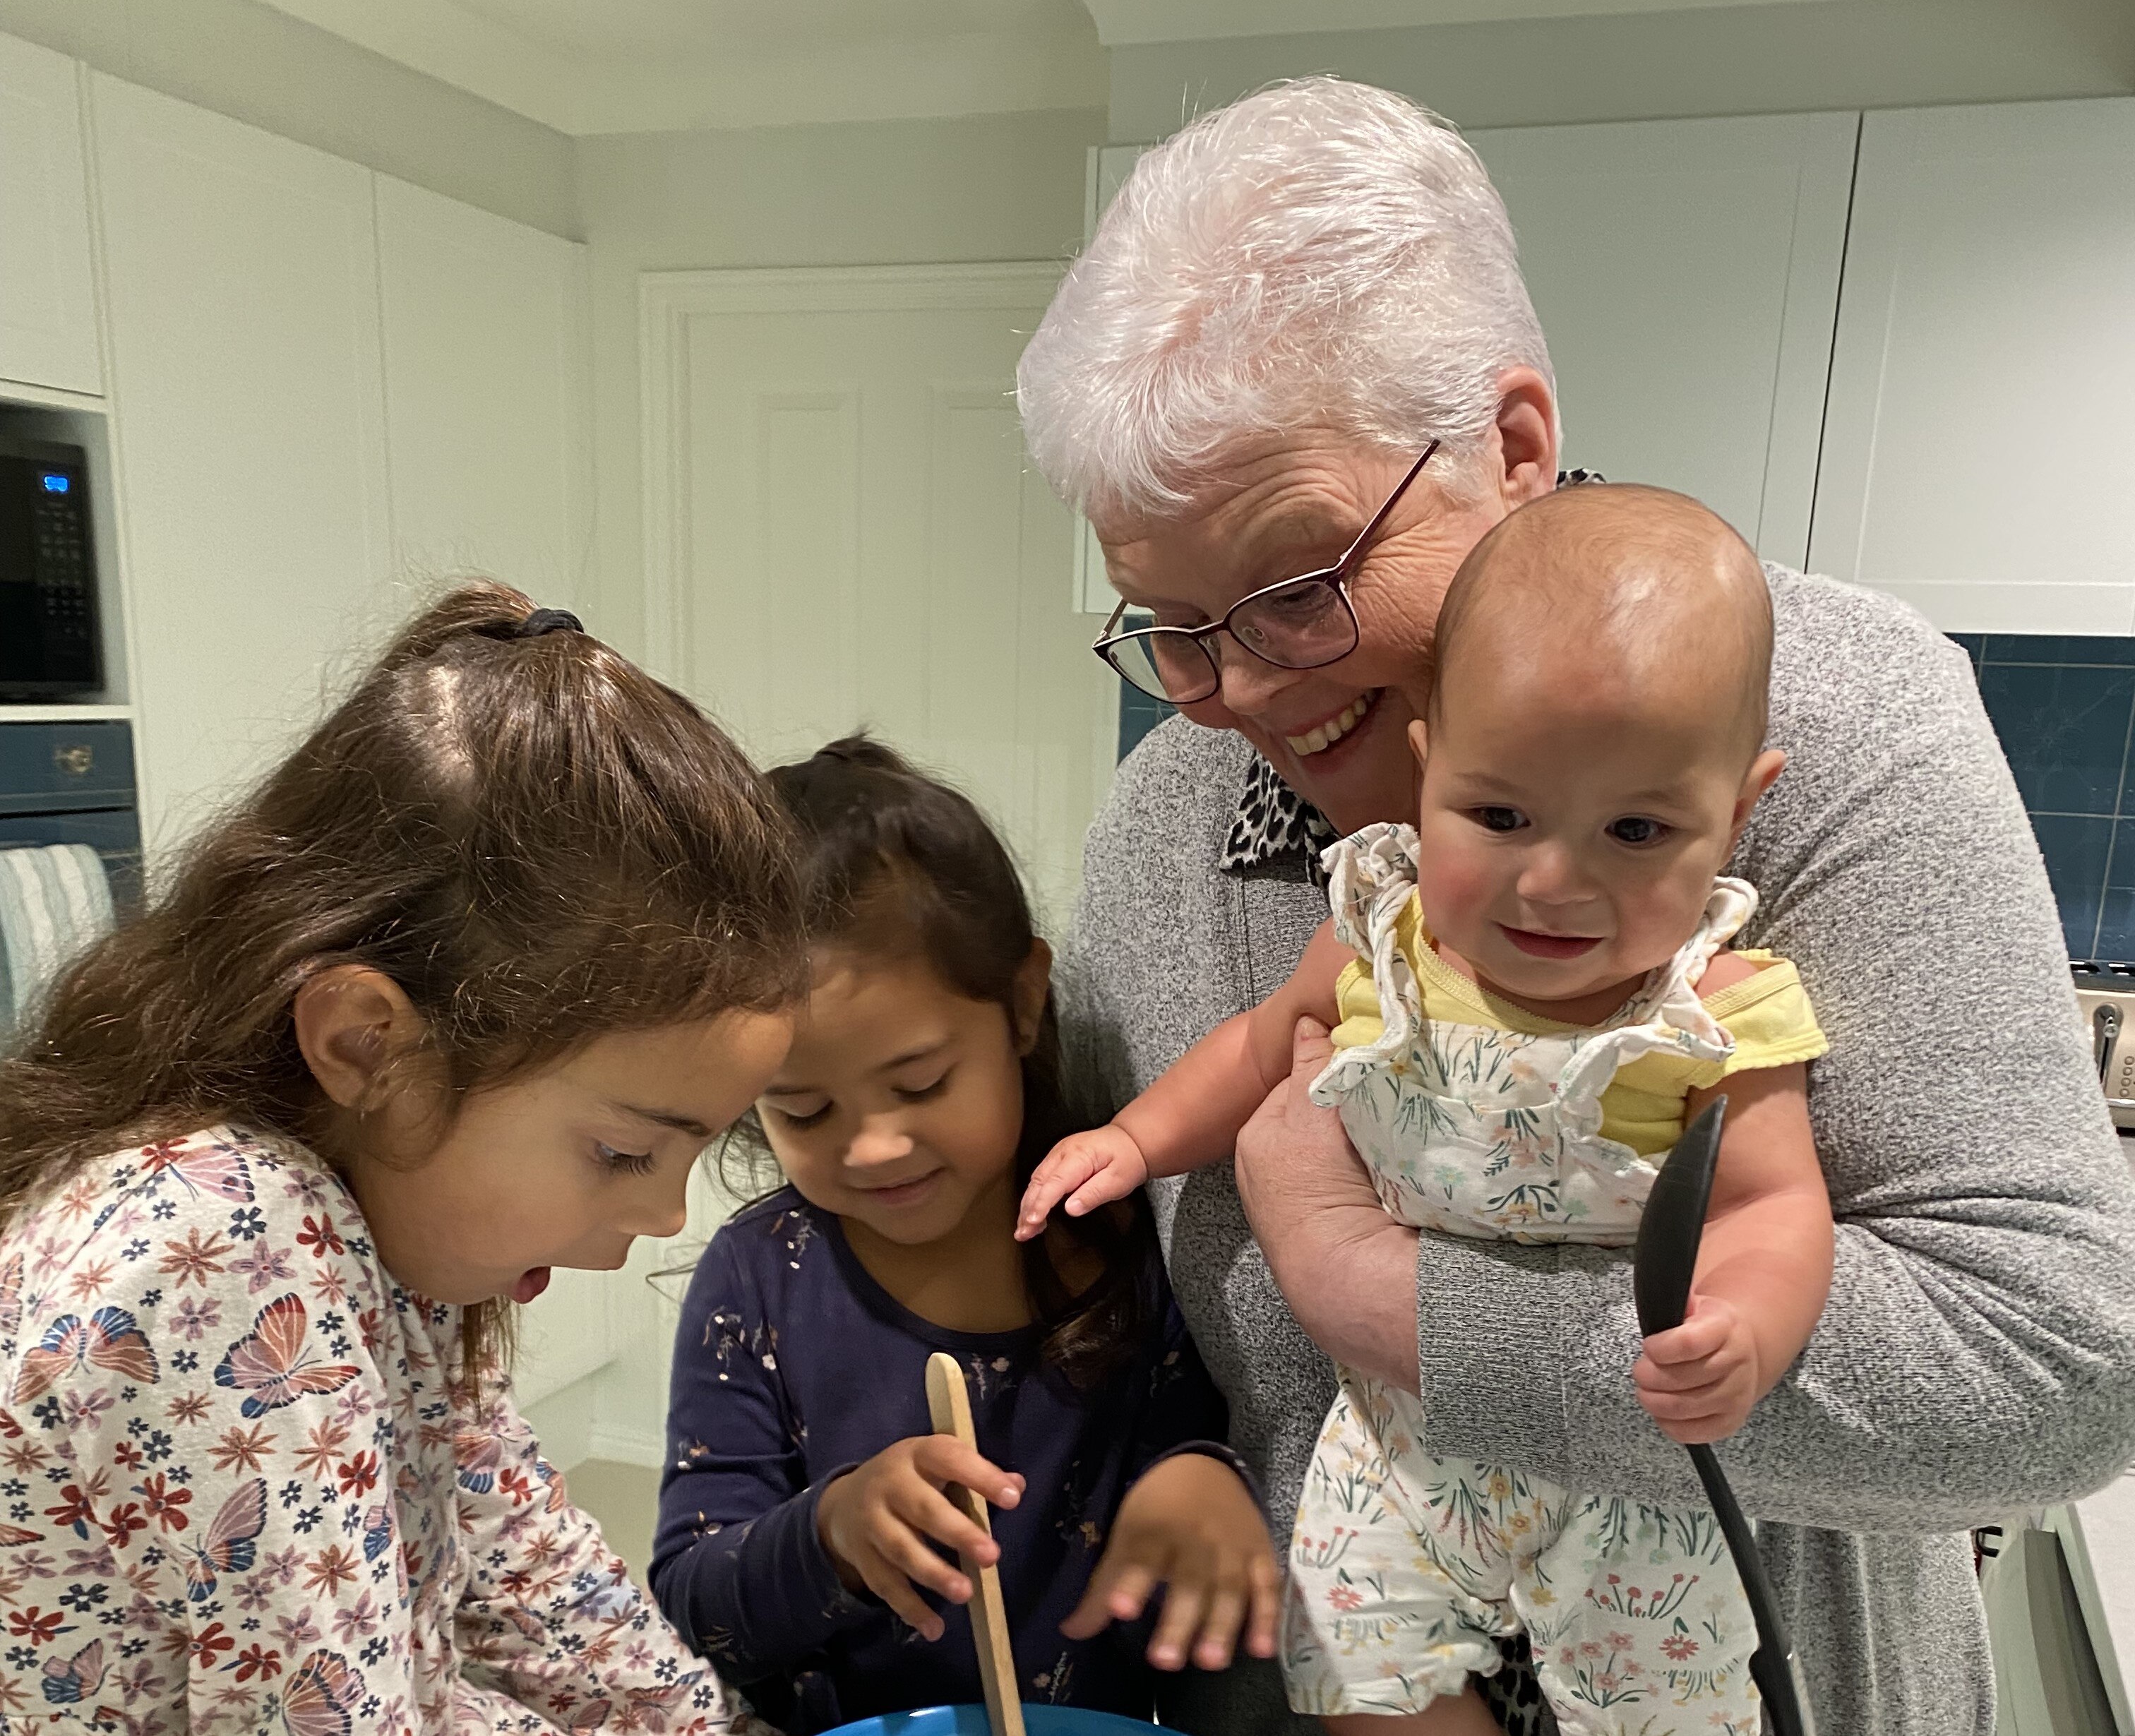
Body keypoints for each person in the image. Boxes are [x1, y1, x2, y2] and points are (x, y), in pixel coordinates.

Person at [1015, 76, 2135, 1736]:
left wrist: (1370, 1287)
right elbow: (1119, 1301)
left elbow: (2053, 1368)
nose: (1235, 690)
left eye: (1298, 583)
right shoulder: (1164, 826)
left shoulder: (1837, 721)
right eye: (1171, 624)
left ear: (1515, 448)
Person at [1022, 489, 1829, 1735]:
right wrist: (1134, 1139)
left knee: (1663, 1704)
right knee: (1354, 1662)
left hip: (1631, 1475)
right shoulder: (1378, 940)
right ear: (1428, 767)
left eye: (1636, 829)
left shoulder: (1717, 1011)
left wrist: (1748, 1327)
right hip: (1398, 1436)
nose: (1552, 880)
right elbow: (1251, 1053)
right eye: (1498, 817)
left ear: (1737, 811)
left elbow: (1773, 1203)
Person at [0, 585, 803, 1733]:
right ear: (368, 1042)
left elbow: (524, 1556)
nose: (668, 1215)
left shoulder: (377, 1223)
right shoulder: (219, 1251)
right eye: (625, 1151)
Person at [650, 736, 1280, 1736]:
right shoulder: (760, 1278)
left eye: (921, 1083)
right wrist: (830, 1532)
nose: (874, 1145)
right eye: (804, 1110)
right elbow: (692, 1601)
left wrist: (1199, 1481)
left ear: (1023, 1004)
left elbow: (1184, 1443)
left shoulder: (1112, 1244)